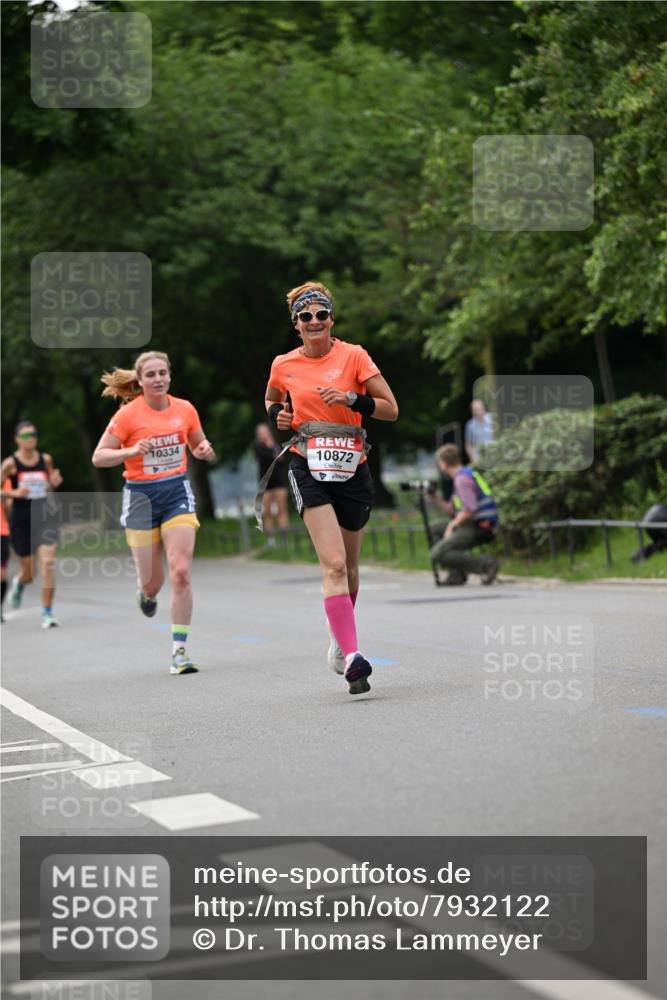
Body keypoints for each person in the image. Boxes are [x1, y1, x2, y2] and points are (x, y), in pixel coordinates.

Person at [264, 281, 398, 695]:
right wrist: (279, 417)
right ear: (296, 325)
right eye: (307, 316)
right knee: (335, 565)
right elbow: (271, 399)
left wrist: (352, 399)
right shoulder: (283, 364)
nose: (315, 321)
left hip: (353, 467)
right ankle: (355, 657)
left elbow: (391, 410)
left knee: (351, 569)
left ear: (331, 319)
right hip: (307, 466)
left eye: (322, 314)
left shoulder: (354, 356)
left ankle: (339, 640)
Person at [92, 351, 215, 675]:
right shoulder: (128, 416)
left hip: (176, 492)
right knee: (153, 582)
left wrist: (203, 450)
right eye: (151, 375)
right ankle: (144, 592)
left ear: (169, 376)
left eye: (163, 373)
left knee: (181, 572)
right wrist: (131, 450)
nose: (158, 379)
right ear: (141, 380)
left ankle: (179, 651)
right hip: (140, 499)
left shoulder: (185, 409)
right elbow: (99, 457)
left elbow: (200, 445)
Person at [1, 423, 63, 628]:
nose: (31, 438)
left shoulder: (45, 460)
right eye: (26, 434)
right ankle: (20, 583)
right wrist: (13, 493)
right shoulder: (10, 464)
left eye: (34, 434)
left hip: (44, 514)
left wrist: (54, 482)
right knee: (30, 573)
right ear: (17, 438)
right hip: (21, 519)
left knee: (47, 565)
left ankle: (47, 613)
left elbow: (49, 485)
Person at [429, 443, 500, 585]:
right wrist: (433, 497)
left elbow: (470, 509)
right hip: (475, 523)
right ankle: (457, 572)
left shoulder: (462, 480)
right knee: (434, 528)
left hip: (479, 526)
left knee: (437, 554)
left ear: (443, 464)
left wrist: (452, 526)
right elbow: (452, 509)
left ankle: (486, 564)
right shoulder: (465, 474)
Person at [254, 422, 289, 547]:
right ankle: (271, 540)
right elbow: (265, 458)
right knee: (267, 512)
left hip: (279, 481)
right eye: (260, 433)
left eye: (264, 431)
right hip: (265, 483)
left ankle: (284, 539)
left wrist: (272, 448)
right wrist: (272, 454)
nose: (263, 434)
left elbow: (280, 458)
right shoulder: (257, 447)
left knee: (282, 510)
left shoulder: (276, 445)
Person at [464, 398, 494, 465]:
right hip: (480, 458)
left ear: (483, 408)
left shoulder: (492, 418)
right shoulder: (470, 425)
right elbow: (468, 445)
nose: (477, 411)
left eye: (479, 408)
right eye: (474, 410)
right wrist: (473, 460)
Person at [1, 479, 12, 623]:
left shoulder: (4, 479)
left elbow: (9, 506)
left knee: (1, 574)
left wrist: (6, 499)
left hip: (1, 531)